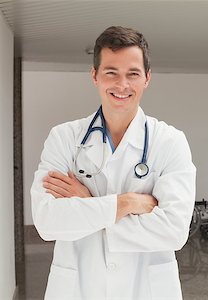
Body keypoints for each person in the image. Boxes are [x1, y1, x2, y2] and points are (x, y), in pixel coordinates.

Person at [30, 26, 196, 300]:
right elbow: (48, 223)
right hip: (78, 289)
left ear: (147, 78)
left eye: (133, 74)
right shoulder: (64, 138)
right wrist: (126, 203)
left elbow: (174, 232)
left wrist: (87, 201)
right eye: (111, 73)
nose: (122, 85)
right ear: (95, 76)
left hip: (147, 290)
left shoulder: (170, 141)